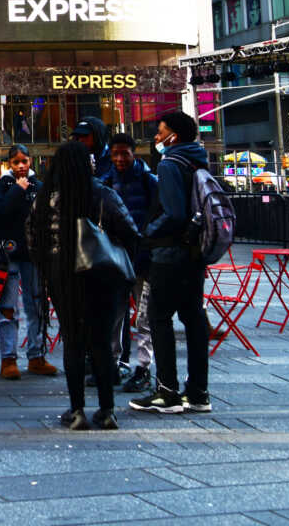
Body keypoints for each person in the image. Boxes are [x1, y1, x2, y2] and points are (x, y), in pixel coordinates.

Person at [27, 142, 140, 431]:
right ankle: (107, 409)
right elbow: (130, 232)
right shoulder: (102, 193)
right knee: (101, 342)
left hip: (61, 277)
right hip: (101, 275)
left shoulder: (44, 197)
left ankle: (76, 410)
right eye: (90, 159)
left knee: (73, 341)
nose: (94, 162)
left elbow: (31, 237)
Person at [130, 112, 213, 416]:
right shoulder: (198, 160)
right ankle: (199, 392)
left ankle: (167, 392)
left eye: (160, 132)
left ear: (173, 136)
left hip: (169, 254)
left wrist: (147, 232)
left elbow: (175, 213)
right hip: (195, 255)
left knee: (159, 317)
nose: (156, 137)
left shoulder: (168, 164)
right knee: (193, 320)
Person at [0, 144, 57, 380]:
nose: (20, 166)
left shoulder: (40, 187)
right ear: (9, 163)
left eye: (24, 161)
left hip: (34, 253)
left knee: (36, 303)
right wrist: (17, 191)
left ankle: (36, 355)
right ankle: (8, 358)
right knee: (8, 306)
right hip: (8, 254)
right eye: (16, 162)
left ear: (30, 162)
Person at [99, 134, 159, 394]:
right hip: (117, 259)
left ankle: (143, 368)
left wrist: (146, 243)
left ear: (135, 153)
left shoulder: (149, 181)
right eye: (115, 154)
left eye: (125, 153)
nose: (120, 158)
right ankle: (113, 364)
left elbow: (159, 215)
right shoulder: (107, 181)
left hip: (143, 260)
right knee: (115, 315)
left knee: (144, 317)